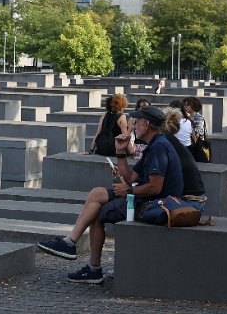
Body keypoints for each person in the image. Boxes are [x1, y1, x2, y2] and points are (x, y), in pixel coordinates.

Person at [38, 106, 183, 283]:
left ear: (146, 124)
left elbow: (155, 188)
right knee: (97, 193)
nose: (133, 125)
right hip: (146, 199)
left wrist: (128, 190)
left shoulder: (159, 147)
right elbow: (130, 178)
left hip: (156, 206)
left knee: (97, 213)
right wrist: (120, 152)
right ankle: (71, 244)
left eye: (137, 122)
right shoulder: (153, 145)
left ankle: (90, 264)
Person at [161, 108, 206, 199]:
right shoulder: (172, 141)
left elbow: (154, 186)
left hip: (187, 200)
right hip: (197, 195)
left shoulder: (164, 143)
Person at [182, 96, 209, 163]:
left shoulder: (199, 118)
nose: (185, 107)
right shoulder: (185, 117)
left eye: (187, 105)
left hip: (198, 147)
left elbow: (198, 134)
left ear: (193, 106)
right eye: (184, 105)